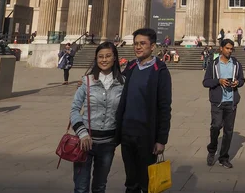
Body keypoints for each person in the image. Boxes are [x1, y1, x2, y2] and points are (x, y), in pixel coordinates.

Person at [116, 28, 172, 193]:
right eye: (136, 44)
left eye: (142, 43)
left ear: (152, 46)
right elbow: (115, 85)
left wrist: (161, 139)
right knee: (130, 181)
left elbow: (164, 107)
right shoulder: (131, 66)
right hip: (127, 132)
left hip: (146, 135)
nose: (138, 47)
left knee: (146, 183)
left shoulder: (160, 71)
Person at [70, 42, 124, 193]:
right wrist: (82, 133)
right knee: (81, 187)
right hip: (85, 141)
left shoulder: (123, 83)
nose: (104, 60)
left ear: (115, 58)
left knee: (100, 187)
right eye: (100, 57)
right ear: (96, 59)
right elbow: (74, 110)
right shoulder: (86, 81)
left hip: (108, 144)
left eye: (108, 56)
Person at [203, 39, 245, 168]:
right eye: (227, 48)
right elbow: (206, 82)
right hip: (217, 101)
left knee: (228, 131)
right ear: (221, 48)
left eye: (231, 49)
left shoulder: (236, 64)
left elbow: (242, 79)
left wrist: (237, 83)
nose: (229, 51)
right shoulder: (214, 64)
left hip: (231, 101)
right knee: (216, 126)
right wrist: (219, 81)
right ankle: (212, 149)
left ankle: (223, 157)